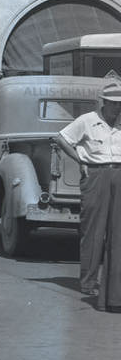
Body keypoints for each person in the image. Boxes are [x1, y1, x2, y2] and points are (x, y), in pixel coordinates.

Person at [55, 78, 121, 309]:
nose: (117, 107)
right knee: (94, 229)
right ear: (104, 102)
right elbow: (61, 138)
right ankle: (88, 281)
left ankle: (114, 284)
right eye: (113, 103)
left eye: (120, 103)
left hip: (119, 174)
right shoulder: (87, 121)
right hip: (96, 175)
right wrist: (79, 159)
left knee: (117, 231)